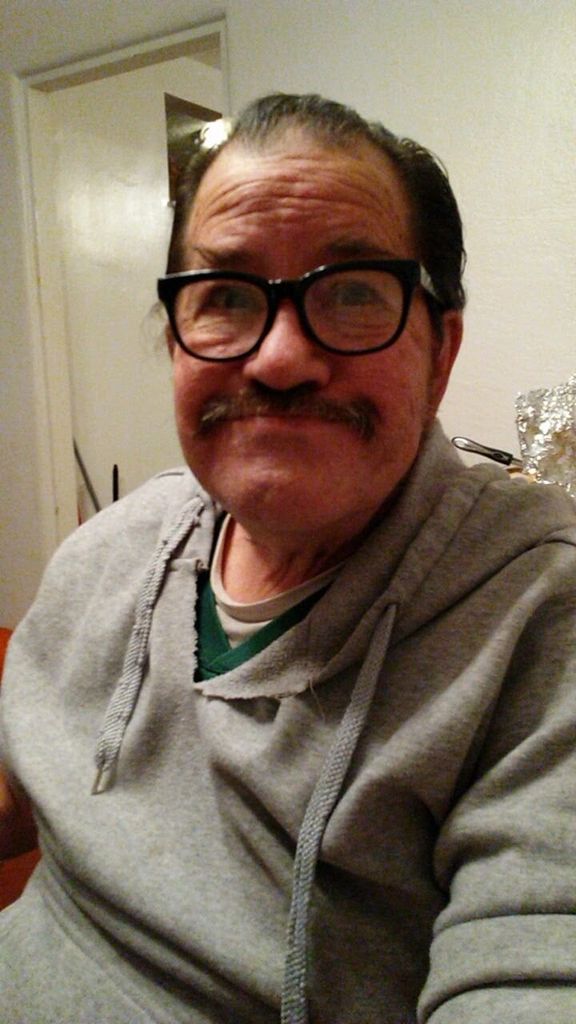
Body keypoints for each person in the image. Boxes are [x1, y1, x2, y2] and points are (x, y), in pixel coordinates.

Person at [1, 92, 576, 1024]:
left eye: (351, 293)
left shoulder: (542, 617)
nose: (278, 359)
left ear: (441, 354)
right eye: (226, 298)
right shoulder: (108, 551)